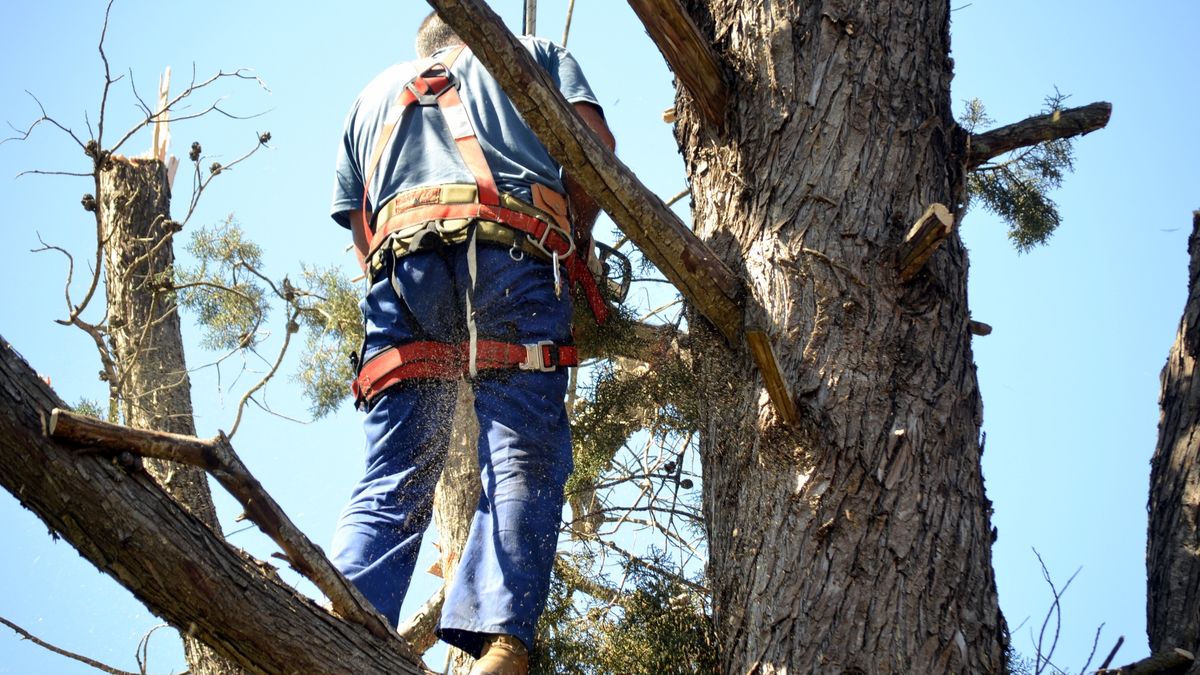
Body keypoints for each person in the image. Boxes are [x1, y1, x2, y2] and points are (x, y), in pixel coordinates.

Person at [327, 11, 614, 675]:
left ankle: (341, 620)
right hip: (512, 255)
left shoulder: (369, 97)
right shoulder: (532, 52)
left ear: (425, 47)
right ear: (475, 31)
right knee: (521, 451)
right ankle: (501, 644)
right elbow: (594, 154)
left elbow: (362, 230)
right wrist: (576, 245)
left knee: (394, 471)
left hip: (401, 275)